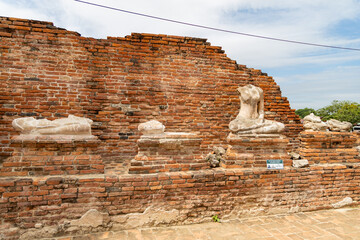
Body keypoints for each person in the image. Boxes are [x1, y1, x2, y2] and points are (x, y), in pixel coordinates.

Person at [12, 115, 93, 135]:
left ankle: (82, 122)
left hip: (56, 123)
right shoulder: (37, 128)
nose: (27, 119)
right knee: (85, 127)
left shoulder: (34, 122)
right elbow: (53, 130)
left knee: (85, 125)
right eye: (23, 122)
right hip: (56, 127)